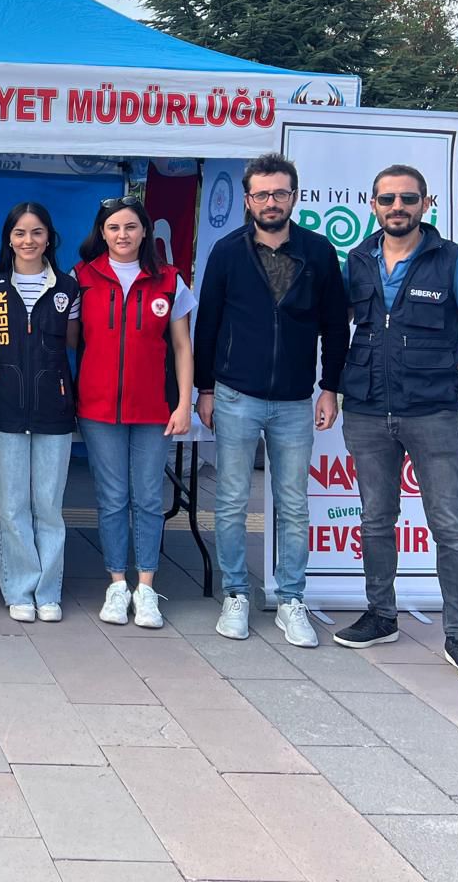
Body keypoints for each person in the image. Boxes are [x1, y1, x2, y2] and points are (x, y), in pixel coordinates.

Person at [332, 165, 458, 686]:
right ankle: (381, 616)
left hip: (432, 413)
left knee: (448, 526)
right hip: (367, 409)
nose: (397, 207)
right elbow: (338, 327)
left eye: (408, 198)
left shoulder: (453, 261)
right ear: (373, 205)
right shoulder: (358, 260)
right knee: (375, 519)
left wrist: (438, 366)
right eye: (387, 199)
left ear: (426, 204)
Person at [194, 152, 349, 648]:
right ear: (247, 200)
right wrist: (204, 389)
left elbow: (335, 326)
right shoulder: (226, 252)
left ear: (294, 196)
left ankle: (290, 599)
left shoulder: (319, 252)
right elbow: (207, 324)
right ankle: (236, 594)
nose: (271, 202)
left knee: (294, 504)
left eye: (280, 192)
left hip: (295, 400)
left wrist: (331, 387)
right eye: (261, 194)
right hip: (235, 394)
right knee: (231, 500)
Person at [75, 195, 194, 630]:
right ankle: (116, 584)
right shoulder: (82, 277)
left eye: (130, 227)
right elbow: (68, 338)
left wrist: (184, 403)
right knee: (111, 498)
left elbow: (182, 347)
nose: (122, 235)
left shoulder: (170, 280)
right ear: (102, 233)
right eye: (113, 228)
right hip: (97, 407)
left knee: (147, 497)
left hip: (153, 408)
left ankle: (145, 588)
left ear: (145, 231)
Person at [0, 202, 80, 624]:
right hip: (3, 410)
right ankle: (20, 589)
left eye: (37, 232)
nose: (28, 240)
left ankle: (47, 591)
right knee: (12, 506)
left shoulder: (68, 288)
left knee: (49, 506)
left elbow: (75, 343)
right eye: (20, 232)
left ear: (49, 238)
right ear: (9, 238)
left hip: (54, 410)